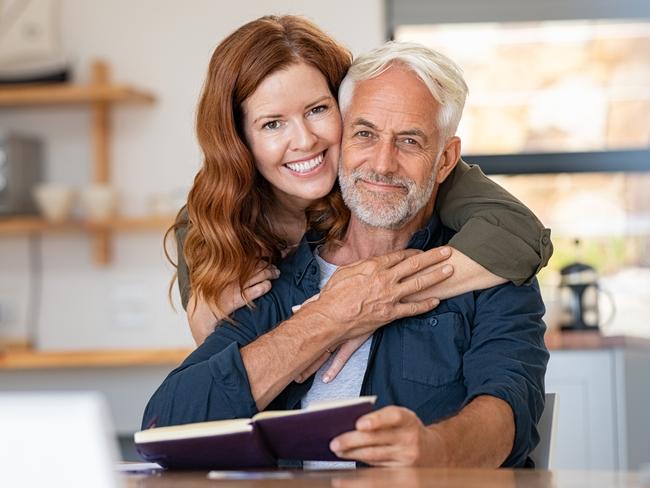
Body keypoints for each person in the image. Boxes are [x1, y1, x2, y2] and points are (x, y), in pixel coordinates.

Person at [144, 40, 549, 468]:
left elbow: (510, 409)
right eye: (365, 133)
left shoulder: (488, 268)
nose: (383, 162)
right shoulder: (263, 269)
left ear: (445, 159)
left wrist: (436, 451)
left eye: (410, 141)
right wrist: (329, 317)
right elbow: (166, 430)